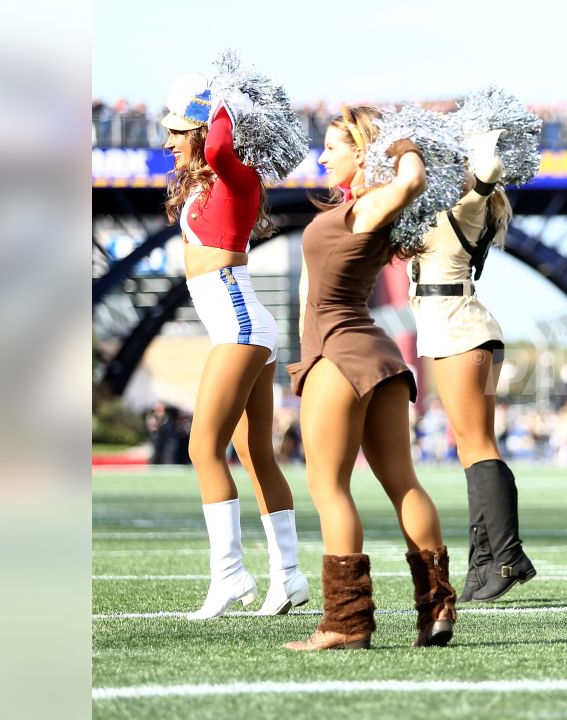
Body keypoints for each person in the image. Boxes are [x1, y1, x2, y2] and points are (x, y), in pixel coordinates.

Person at [283, 106, 455, 651]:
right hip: (374, 356)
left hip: (339, 353)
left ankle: (345, 623)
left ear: (362, 152)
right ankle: (436, 609)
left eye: (334, 146)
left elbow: (412, 180)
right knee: (402, 482)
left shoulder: (367, 207)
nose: (323, 155)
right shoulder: (359, 211)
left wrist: (402, 143)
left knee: (329, 487)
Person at [160, 75, 308, 619]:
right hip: (240, 325)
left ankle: (229, 574)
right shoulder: (202, 184)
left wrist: (219, 97)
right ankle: (289, 577)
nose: (168, 141)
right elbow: (209, 147)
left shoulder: (234, 174)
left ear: (201, 130)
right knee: (253, 454)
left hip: (241, 324)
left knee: (204, 448)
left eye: (178, 131)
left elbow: (221, 144)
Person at [408, 129, 536, 602]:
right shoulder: (446, 212)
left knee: (478, 445)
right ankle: (484, 561)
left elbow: (487, 173)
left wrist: (482, 144)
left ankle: (507, 556)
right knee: (471, 447)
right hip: (462, 333)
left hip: (464, 335)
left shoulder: (464, 207)